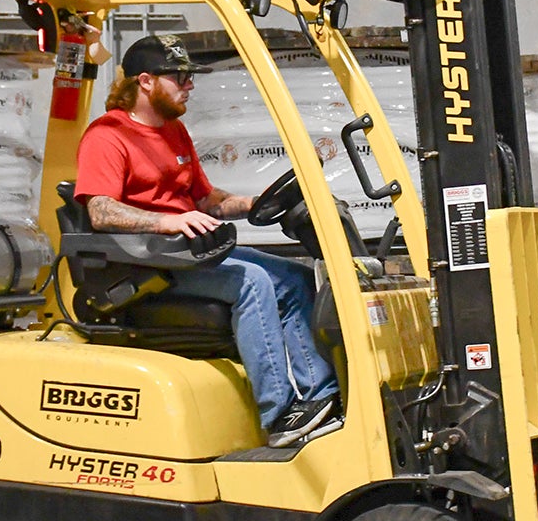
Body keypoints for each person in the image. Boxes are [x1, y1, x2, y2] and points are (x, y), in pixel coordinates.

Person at [74, 35, 342, 448]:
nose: (189, 85)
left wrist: (257, 202)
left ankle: (321, 399)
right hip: (149, 262)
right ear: (145, 81)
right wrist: (168, 222)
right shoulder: (107, 135)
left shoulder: (174, 131)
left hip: (188, 253)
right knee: (253, 282)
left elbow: (205, 200)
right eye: (179, 77)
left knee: (294, 276)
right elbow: (101, 211)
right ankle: (279, 414)